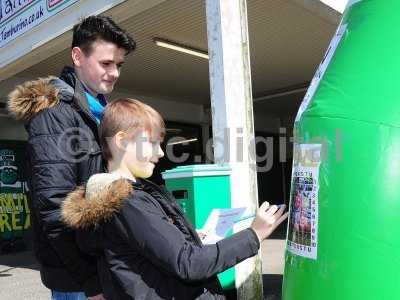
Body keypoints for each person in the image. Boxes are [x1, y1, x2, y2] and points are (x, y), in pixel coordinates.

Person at [61, 98, 289, 300]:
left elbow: (153, 249)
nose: (160, 152)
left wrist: (184, 236)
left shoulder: (131, 195)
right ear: (121, 141)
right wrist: (255, 234)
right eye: (151, 143)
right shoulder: (129, 202)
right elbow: (189, 264)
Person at [7, 16, 135, 300]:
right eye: (106, 63)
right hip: (80, 280)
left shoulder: (98, 115)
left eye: (119, 65)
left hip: (103, 266)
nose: (114, 73)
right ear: (78, 56)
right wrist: (91, 282)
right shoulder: (56, 115)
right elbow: (54, 209)